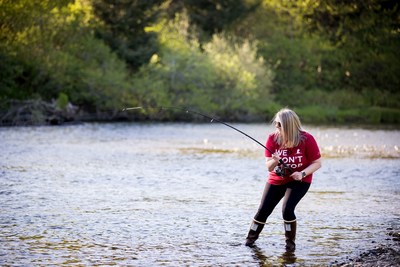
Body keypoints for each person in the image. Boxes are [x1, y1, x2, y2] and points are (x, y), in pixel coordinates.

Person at [245, 108, 322, 251]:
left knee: (287, 210)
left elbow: (317, 163)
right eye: (275, 123)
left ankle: (290, 246)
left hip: (300, 180)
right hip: (277, 179)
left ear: (288, 125)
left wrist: (302, 173)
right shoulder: (272, 139)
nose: (276, 127)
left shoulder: (307, 139)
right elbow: (269, 167)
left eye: (279, 124)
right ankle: (249, 242)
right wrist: (275, 161)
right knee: (263, 210)